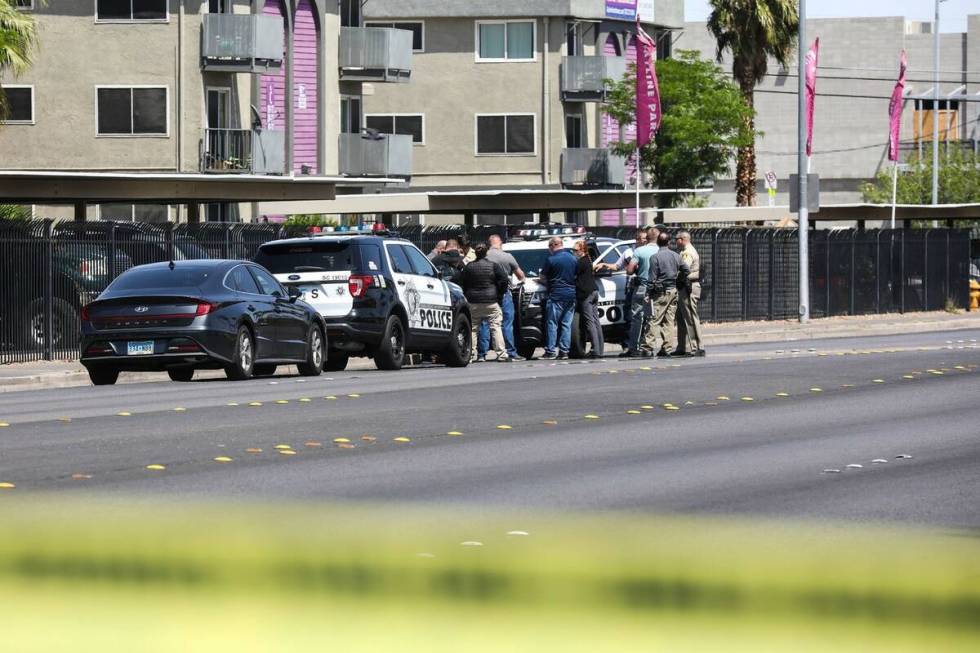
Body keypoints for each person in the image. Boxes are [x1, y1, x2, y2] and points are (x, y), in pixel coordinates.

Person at [453, 244, 510, 363]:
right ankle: (501, 353)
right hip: (491, 301)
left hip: (473, 301)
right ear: (486, 253)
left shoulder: (469, 267)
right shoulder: (493, 266)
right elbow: (504, 279)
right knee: (495, 327)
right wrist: (499, 294)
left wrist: (466, 292)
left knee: (473, 329)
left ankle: (471, 354)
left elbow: (459, 280)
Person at [476, 235, 526, 361]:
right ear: (500, 243)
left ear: (489, 244)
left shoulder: (483, 256)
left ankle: (482, 354)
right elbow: (521, 275)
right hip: (504, 294)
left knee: (485, 323)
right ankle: (510, 352)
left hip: (486, 294)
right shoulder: (507, 257)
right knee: (506, 324)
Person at [646, 232, 690, 358]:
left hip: (660, 293)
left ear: (657, 243)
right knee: (669, 321)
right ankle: (667, 348)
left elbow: (652, 278)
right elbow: (686, 270)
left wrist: (648, 293)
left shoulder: (655, 257)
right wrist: (678, 279)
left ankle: (648, 347)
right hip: (673, 291)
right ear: (669, 242)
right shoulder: (676, 256)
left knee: (654, 320)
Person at [621, 226, 660, 357]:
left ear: (647, 238)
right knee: (652, 318)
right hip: (657, 289)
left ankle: (633, 348)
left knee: (637, 317)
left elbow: (629, 270)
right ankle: (648, 347)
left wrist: (638, 269)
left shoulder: (639, 251)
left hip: (642, 287)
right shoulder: (661, 251)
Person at [539, 236, 577, 360]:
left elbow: (543, 278)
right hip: (571, 294)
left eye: (549, 247)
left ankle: (550, 351)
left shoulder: (551, 259)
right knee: (566, 324)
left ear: (553, 245)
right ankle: (564, 351)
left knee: (552, 323)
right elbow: (576, 275)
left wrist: (547, 283)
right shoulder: (573, 258)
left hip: (556, 295)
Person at [673, 231, 705, 357]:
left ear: (682, 239)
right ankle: (683, 347)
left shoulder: (687, 252)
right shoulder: (684, 251)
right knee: (681, 318)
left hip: (689, 287)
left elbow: (684, 269)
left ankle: (697, 347)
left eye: (677, 239)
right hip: (684, 287)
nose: (675, 242)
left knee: (691, 317)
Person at [573, 240, 603, 358]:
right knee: (595, 321)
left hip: (586, 294)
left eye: (576, 250)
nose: (574, 252)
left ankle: (595, 350)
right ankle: (599, 349)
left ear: (582, 250)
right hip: (594, 291)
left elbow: (574, 276)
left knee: (590, 322)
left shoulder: (581, 262)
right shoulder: (587, 261)